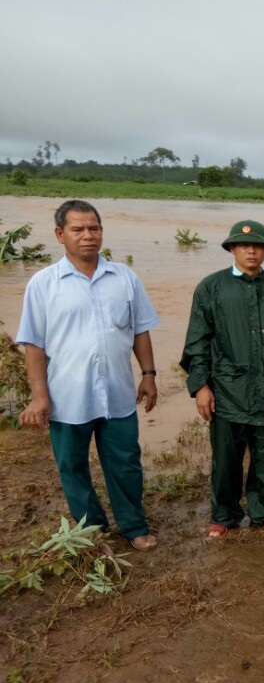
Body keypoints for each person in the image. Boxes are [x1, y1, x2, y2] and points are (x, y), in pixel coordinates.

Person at [17, 200, 159, 551]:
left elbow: (140, 330)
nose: (88, 236)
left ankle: (134, 526)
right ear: (60, 235)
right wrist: (39, 396)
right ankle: (92, 531)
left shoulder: (125, 277)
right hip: (68, 396)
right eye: (78, 229)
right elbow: (33, 345)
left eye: (94, 228)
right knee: (73, 467)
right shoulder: (44, 284)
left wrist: (149, 374)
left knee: (125, 464)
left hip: (118, 394)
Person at [180, 220, 264, 538]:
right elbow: (197, 342)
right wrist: (201, 386)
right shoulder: (211, 287)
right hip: (229, 390)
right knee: (227, 457)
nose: (251, 250)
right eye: (244, 245)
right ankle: (224, 514)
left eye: (258, 246)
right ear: (232, 248)